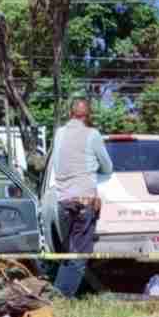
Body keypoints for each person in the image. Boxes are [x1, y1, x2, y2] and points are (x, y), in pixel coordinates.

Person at [50, 98, 113, 297]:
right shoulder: (92, 135)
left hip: (63, 202)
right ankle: (63, 298)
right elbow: (108, 167)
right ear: (88, 116)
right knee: (79, 255)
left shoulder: (59, 134)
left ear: (70, 114)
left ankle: (57, 295)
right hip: (84, 201)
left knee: (69, 253)